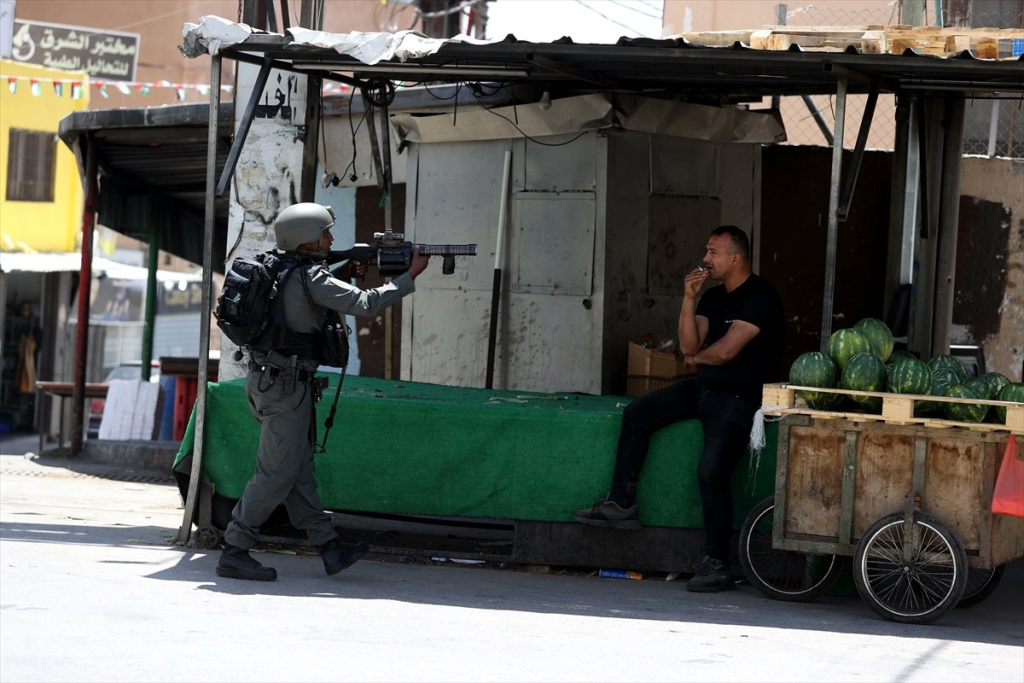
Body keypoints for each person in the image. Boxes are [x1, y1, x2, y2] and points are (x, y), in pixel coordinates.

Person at [217, 202, 430, 582]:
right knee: (275, 475)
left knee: (297, 472)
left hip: (273, 383)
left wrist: (345, 271)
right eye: (325, 233)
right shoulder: (310, 277)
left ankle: (330, 547)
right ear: (306, 240)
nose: (331, 238)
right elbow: (365, 303)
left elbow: (307, 301)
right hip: (285, 387)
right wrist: (409, 275)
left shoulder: (283, 269)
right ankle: (234, 549)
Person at [574, 225, 785, 593]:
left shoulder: (761, 296)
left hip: (740, 396)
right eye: (707, 250)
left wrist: (695, 359)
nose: (705, 258)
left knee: (711, 473)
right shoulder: (713, 297)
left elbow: (725, 352)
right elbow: (689, 344)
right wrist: (689, 299)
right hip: (705, 387)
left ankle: (716, 563)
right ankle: (620, 502)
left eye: (713, 252)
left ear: (735, 258)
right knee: (637, 413)